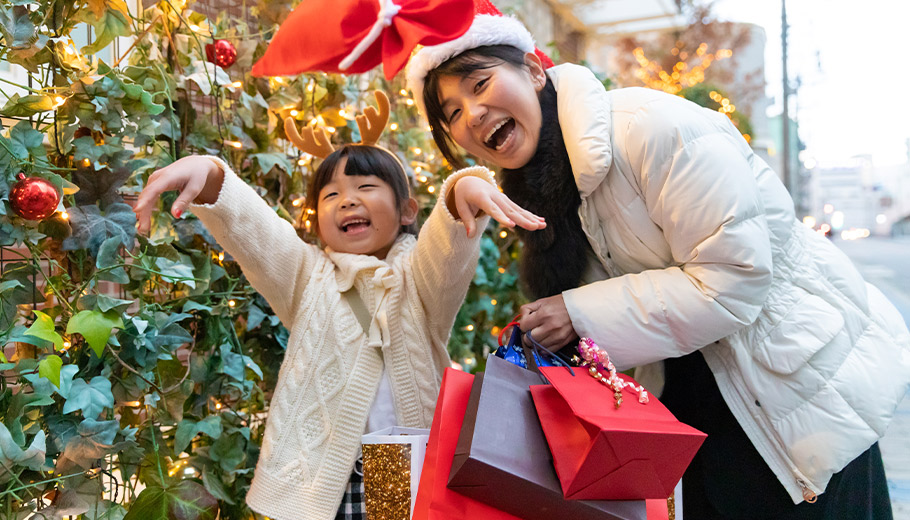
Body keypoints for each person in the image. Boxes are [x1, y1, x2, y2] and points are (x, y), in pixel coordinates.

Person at [405, 8, 910, 519]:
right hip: (689, 420)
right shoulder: (537, 193)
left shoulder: (651, 128)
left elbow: (734, 279)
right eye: (452, 113)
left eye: (480, 84)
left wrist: (578, 313)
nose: (472, 114)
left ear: (534, 71)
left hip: (793, 402)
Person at [132, 95, 545, 520]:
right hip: (320, 472)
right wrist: (211, 175)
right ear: (316, 220)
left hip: (405, 461)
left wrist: (461, 192)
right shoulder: (305, 274)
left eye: (365, 187)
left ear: (407, 210)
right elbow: (255, 231)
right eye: (331, 195)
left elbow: (447, 251)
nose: (347, 200)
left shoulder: (418, 276)